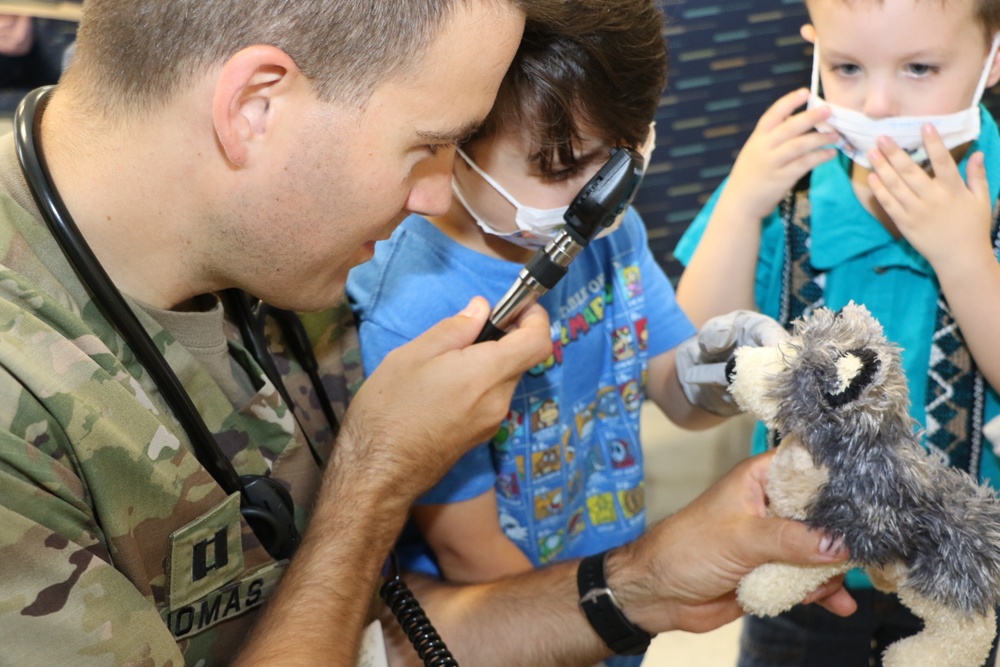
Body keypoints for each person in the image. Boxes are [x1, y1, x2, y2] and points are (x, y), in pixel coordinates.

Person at [0, 0, 854, 665]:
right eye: (433, 145)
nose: (436, 199)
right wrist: (375, 477)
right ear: (256, 107)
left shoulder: (286, 258)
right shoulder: (23, 424)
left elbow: (387, 632)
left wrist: (648, 578)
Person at [348, 6, 732, 666]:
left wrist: (725, 371)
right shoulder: (414, 307)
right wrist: (597, 625)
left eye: (622, 155)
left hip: (606, 597)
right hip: (509, 624)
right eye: (562, 166)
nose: (604, 196)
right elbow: (469, 551)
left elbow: (672, 388)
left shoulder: (608, 233)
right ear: (453, 142)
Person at [674, 0, 1000, 664]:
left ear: (994, 58)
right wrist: (740, 206)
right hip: (805, 577)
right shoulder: (789, 191)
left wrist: (966, 259)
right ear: (814, 47)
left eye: (919, 68)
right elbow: (695, 371)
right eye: (847, 67)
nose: (877, 103)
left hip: (965, 590)